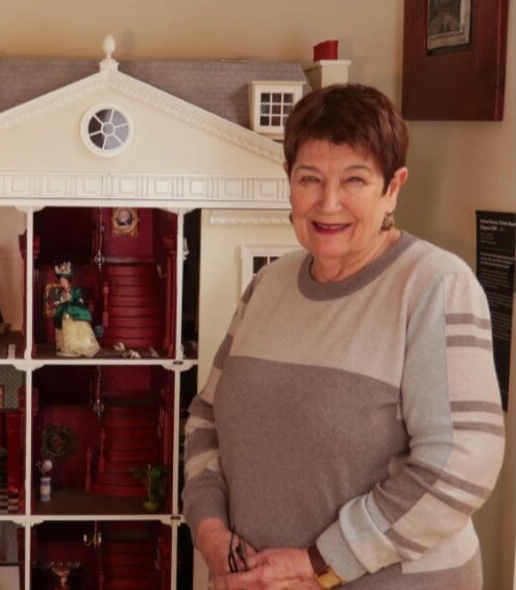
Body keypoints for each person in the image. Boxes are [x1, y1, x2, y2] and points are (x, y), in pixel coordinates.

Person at [182, 84, 504, 589]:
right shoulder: (267, 285)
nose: (329, 202)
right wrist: (211, 534)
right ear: (288, 181)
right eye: (310, 178)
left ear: (392, 188)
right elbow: (206, 417)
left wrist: (320, 563)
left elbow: (459, 465)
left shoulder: (436, 286)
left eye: (355, 179)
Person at [52, 261, 100, 357]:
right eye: (61, 280)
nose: (62, 282)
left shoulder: (75, 290)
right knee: (64, 328)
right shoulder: (60, 291)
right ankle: (67, 347)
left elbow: (79, 301)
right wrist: (60, 302)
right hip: (63, 312)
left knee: (74, 329)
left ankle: (75, 348)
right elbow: (58, 300)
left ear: (67, 280)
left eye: (63, 280)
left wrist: (70, 299)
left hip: (73, 312)